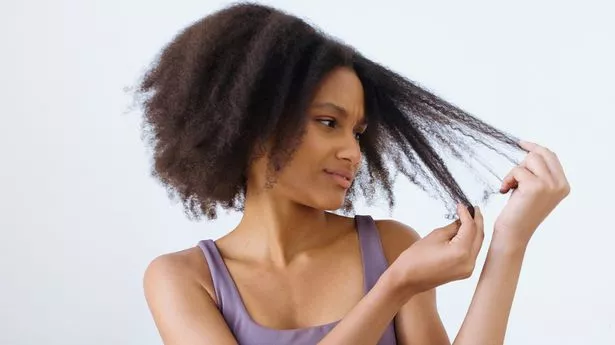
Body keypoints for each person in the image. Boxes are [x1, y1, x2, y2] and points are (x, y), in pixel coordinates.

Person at [134, 3, 571, 345]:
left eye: (358, 132)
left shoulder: (391, 246)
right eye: (328, 122)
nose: (352, 153)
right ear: (251, 123)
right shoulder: (183, 279)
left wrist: (510, 240)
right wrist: (393, 288)